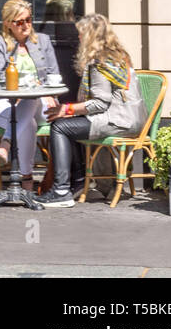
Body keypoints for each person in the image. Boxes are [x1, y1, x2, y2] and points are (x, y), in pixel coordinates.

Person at [34, 14, 147, 208]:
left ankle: (61, 191)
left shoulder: (100, 63)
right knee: (70, 125)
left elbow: (100, 104)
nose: (78, 38)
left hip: (117, 120)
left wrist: (66, 108)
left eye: (80, 34)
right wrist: (71, 111)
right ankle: (82, 183)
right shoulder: (120, 55)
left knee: (60, 127)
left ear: (89, 37)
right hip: (132, 119)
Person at [0, 0, 61, 188]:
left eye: (28, 20)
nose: (26, 25)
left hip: (42, 103)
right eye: (19, 22)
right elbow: (0, 77)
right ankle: (27, 179)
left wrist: (47, 93)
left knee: (30, 100)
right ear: (8, 23)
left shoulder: (42, 41)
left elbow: (54, 74)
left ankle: (6, 143)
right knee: (29, 123)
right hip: (5, 103)